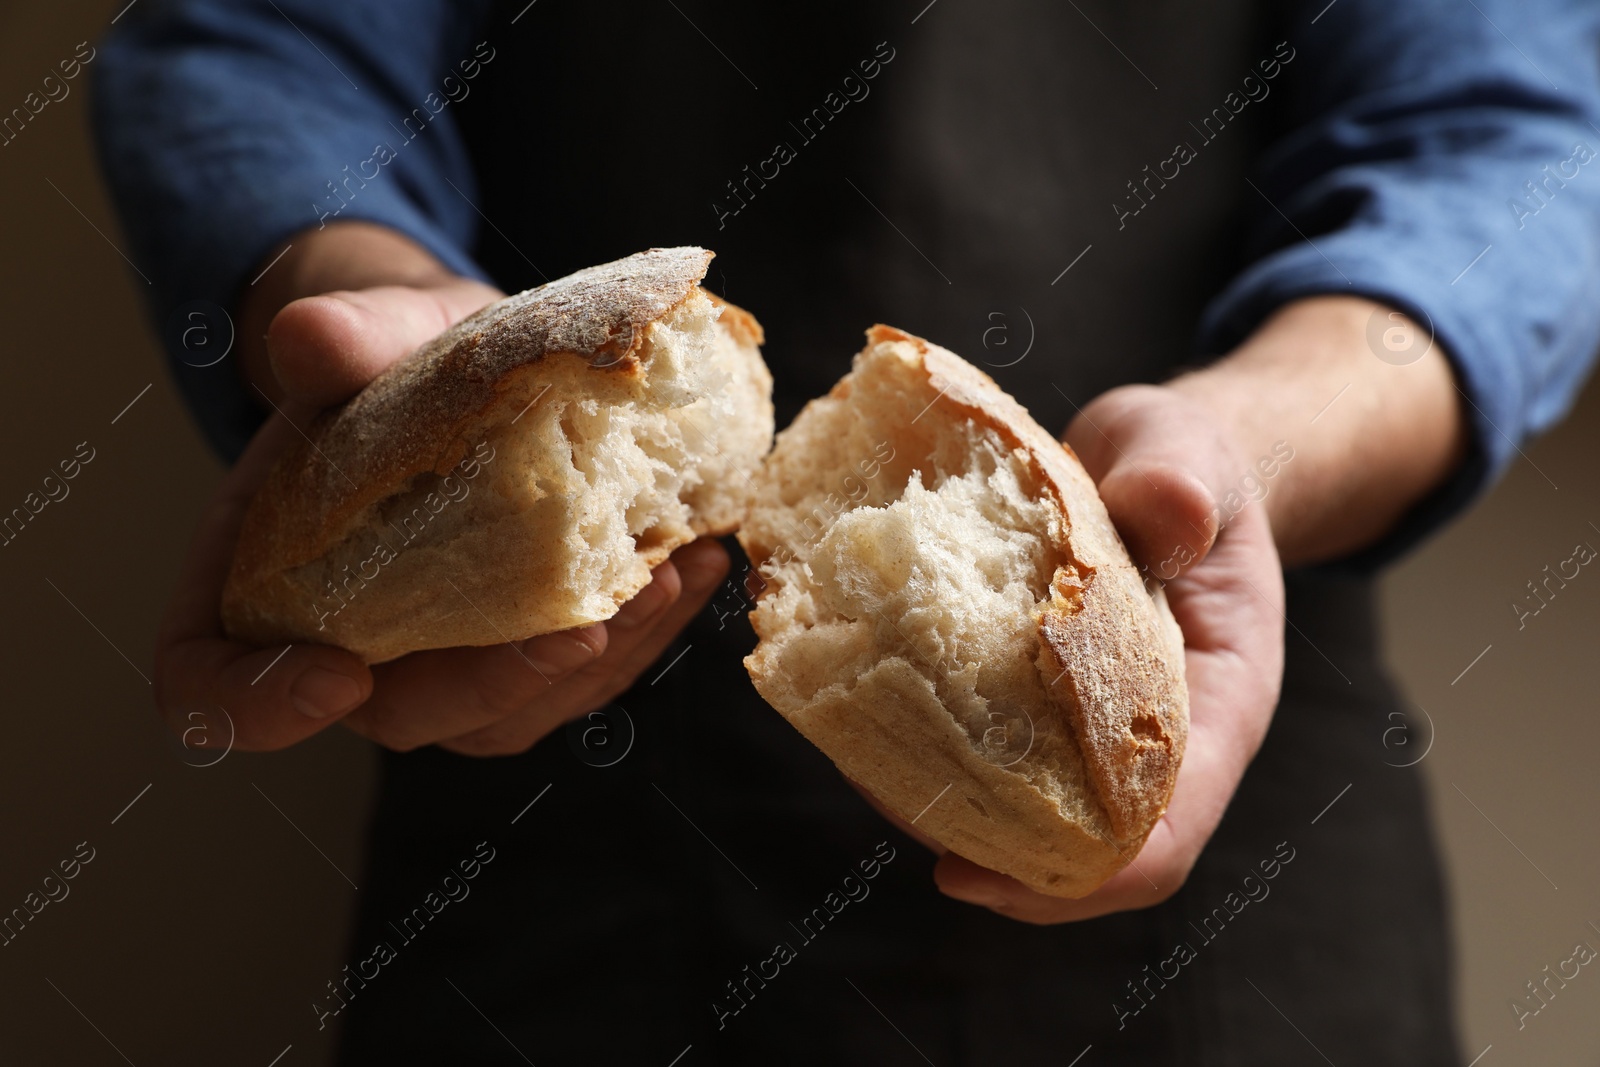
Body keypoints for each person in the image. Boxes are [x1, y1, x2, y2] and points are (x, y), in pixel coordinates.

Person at [94, 0, 1600, 1062]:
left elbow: (1507, 149)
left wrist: (1251, 446)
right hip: (565, 868)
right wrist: (410, 360)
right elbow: (256, 41)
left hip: (1220, 853)